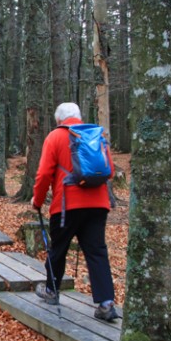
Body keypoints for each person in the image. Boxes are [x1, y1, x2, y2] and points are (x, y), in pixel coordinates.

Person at [31, 102, 118, 322]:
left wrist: (37, 200)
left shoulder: (56, 136)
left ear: (59, 120)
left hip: (66, 205)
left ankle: (52, 290)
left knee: (58, 249)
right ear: (79, 116)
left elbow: (43, 175)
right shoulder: (96, 134)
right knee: (97, 252)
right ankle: (106, 304)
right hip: (98, 204)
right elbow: (110, 172)